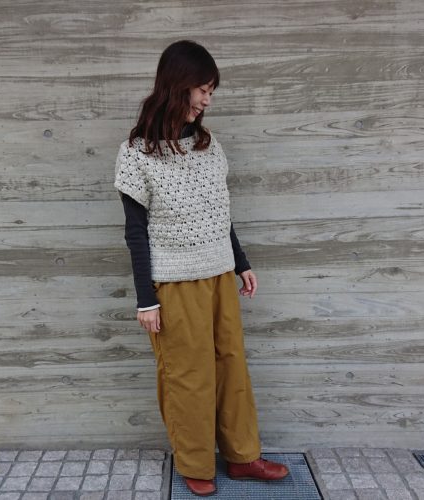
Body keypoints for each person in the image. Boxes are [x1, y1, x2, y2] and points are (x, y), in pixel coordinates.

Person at [114, 39, 289, 497]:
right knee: (188, 376)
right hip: (174, 282)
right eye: (203, 90)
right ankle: (195, 463)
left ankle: (243, 456)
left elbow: (219, 212)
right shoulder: (136, 154)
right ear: (178, 85)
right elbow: (135, 232)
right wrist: (146, 300)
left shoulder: (209, 147)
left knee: (231, 366)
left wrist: (241, 263)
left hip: (219, 274)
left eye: (211, 92)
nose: (207, 101)